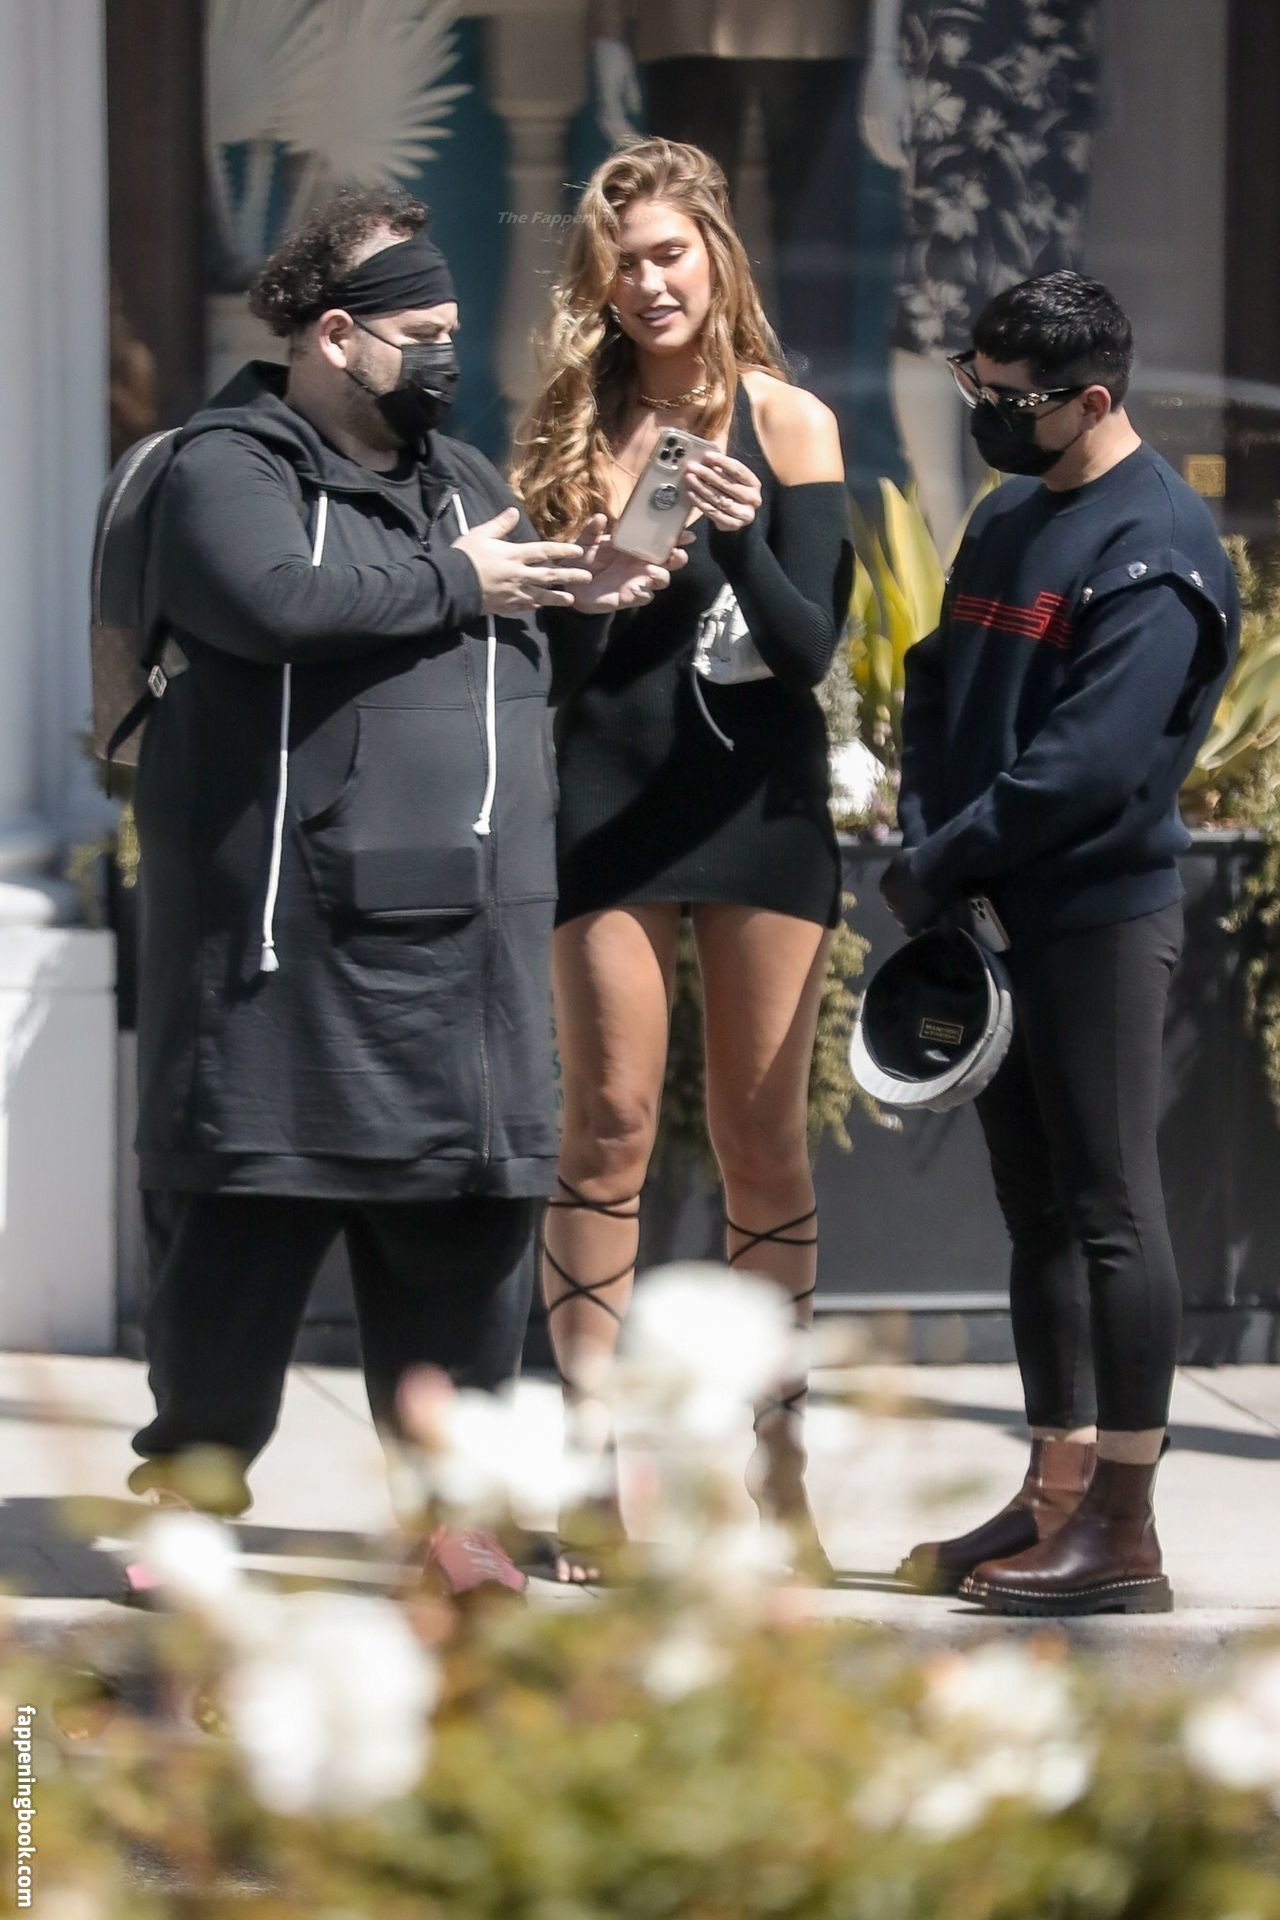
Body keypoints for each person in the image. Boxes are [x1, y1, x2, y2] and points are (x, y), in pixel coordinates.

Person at [127, 187, 682, 1572]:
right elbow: (273, 601)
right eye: (419, 332)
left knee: (463, 1237)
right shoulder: (223, 467)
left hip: (464, 949)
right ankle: (188, 1509)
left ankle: (458, 1528)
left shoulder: (464, 480)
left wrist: (577, 596)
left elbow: (498, 638)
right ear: (335, 335)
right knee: (246, 1233)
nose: (444, 356)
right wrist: (463, 582)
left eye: (448, 329)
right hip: (287, 947)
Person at [512, 139, 854, 1583]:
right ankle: (591, 1468)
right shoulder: (572, 425)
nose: (648, 283)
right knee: (608, 1130)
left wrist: (733, 535)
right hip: (607, 803)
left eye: (668, 253)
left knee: (764, 1142)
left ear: (716, 253)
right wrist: (594, 582)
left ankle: (778, 1470)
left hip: (756, 807)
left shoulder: (791, 421)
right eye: (623, 264)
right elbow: (553, 659)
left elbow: (808, 650)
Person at [886, 271, 1240, 1615]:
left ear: (1092, 401)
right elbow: (937, 686)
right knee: (1035, 1210)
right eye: (973, 386)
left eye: (1008, 399)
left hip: (1094, 915)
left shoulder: (1160, 545)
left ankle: (1125, 1526)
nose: (984, 414)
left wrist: (942, 857)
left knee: (1109, 1208)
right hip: (991, 911)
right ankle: (1053, 1491)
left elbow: (1089, 768)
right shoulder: (1008, 514)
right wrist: (929, 836)